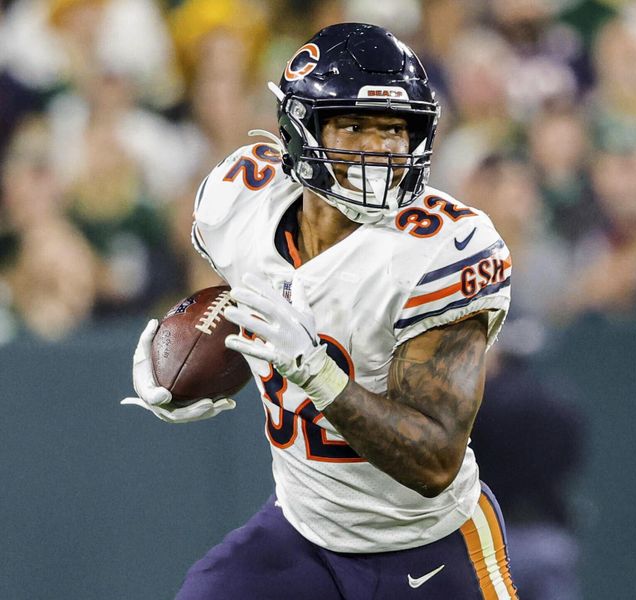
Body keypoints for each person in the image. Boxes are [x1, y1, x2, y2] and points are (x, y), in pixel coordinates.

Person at [122, 23, 517, 599]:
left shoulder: (440, 251)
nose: (380, 147)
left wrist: (314, 371)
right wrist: (181, 364)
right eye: (354, 124)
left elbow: (433, 460)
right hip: (301, 531)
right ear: (299, 129)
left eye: (394, 129)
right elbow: (233, 298)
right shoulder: (242, 201)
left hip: (428, 547)